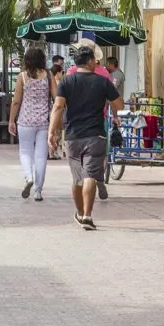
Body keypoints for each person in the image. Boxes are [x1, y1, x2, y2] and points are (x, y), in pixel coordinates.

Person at [49, 47, 123, 230]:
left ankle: (80, 213)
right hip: (96, 135)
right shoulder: (103, 81)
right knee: (91, 175)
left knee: (77, 179)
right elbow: (118, 104)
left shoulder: (66, 81)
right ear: (90, 61)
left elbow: (58, 108)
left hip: (73, 136)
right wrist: (113, 111)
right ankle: (87, 216)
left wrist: (51, 132)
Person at [9, 48, 56, 201]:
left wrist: (11, 120)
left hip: (25, 120)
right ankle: (38, 191)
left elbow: (16, 101)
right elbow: (57, 98)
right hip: (43, 121)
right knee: (41, 155)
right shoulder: (49, 76)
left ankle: (29, 177)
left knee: (25, 152)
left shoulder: (22, 76)